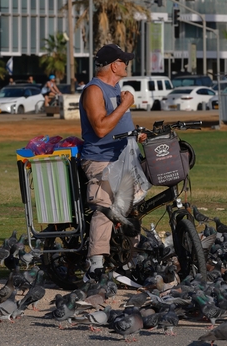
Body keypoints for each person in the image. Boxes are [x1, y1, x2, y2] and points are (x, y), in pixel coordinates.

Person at [78, 44, 146, 281]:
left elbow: (119, 125)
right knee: (105, 208)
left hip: (124, 157)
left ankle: (129, 260)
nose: (127, 64)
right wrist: (124, 105)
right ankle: (95, 267)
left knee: (132, 206)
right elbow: (100, 128)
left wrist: (136, 134)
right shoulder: (94, 90)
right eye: (124, 60)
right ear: (114, 65)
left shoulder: (116, 88)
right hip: (100, 159)